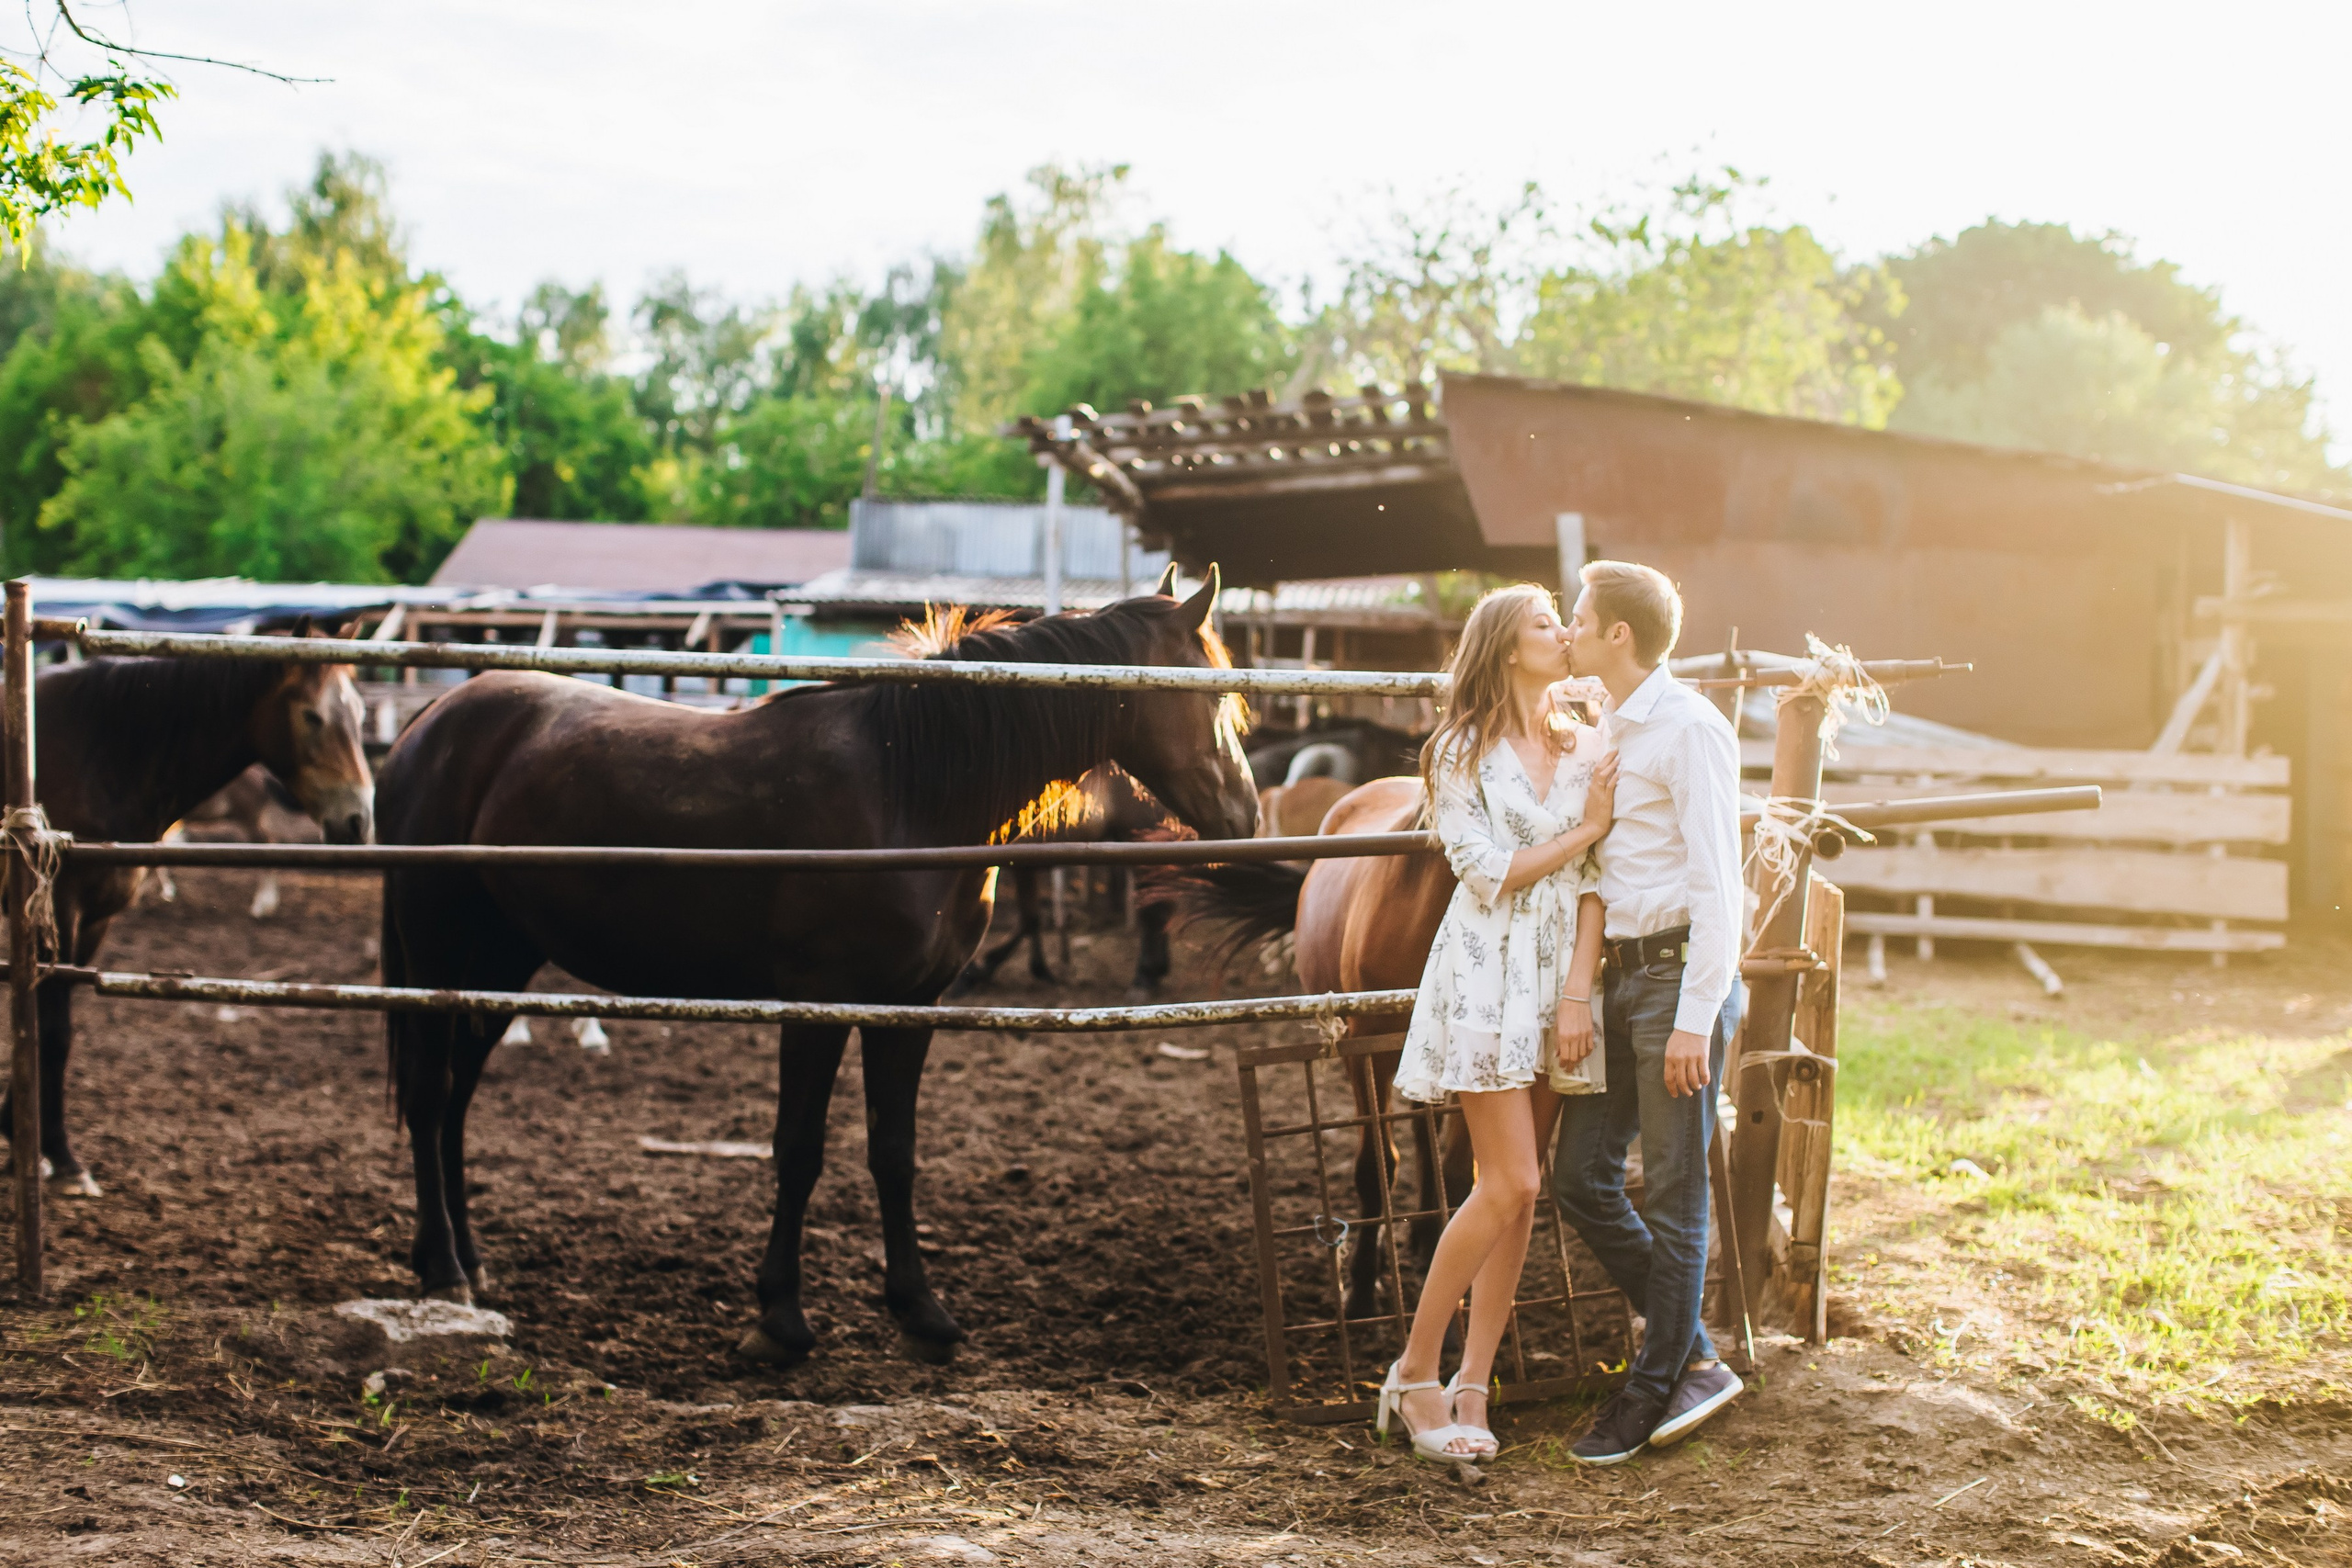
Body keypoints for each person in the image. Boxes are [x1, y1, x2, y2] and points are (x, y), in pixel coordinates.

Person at [1379, 584, 1618, 1463]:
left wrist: (1577, 993)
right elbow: (1485, 871)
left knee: (1522, 1194)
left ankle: (1473, 1381)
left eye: (1564, 621)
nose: (1565, 633)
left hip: (1558, 980)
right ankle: (1412, 1372)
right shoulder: (1458, 750)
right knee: (1508, 1182)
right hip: (1485, 973)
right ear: (1506, 648)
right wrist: (1584, 828)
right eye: (1547, 624)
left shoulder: (1585, 738)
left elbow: (1598, 881)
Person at [1553, 559, 1746, 1465]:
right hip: (1622, 980)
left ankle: (1649, 1387)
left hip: (1675, 983)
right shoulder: (1610, 729)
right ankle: (1696, 1358)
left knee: (1675, 1193)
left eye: (1579, 617)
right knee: (1581, 1175)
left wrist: (1693, 1019)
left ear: (1616, 635)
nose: (1568, 629)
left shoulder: (1689, 730)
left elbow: (1720, 884)